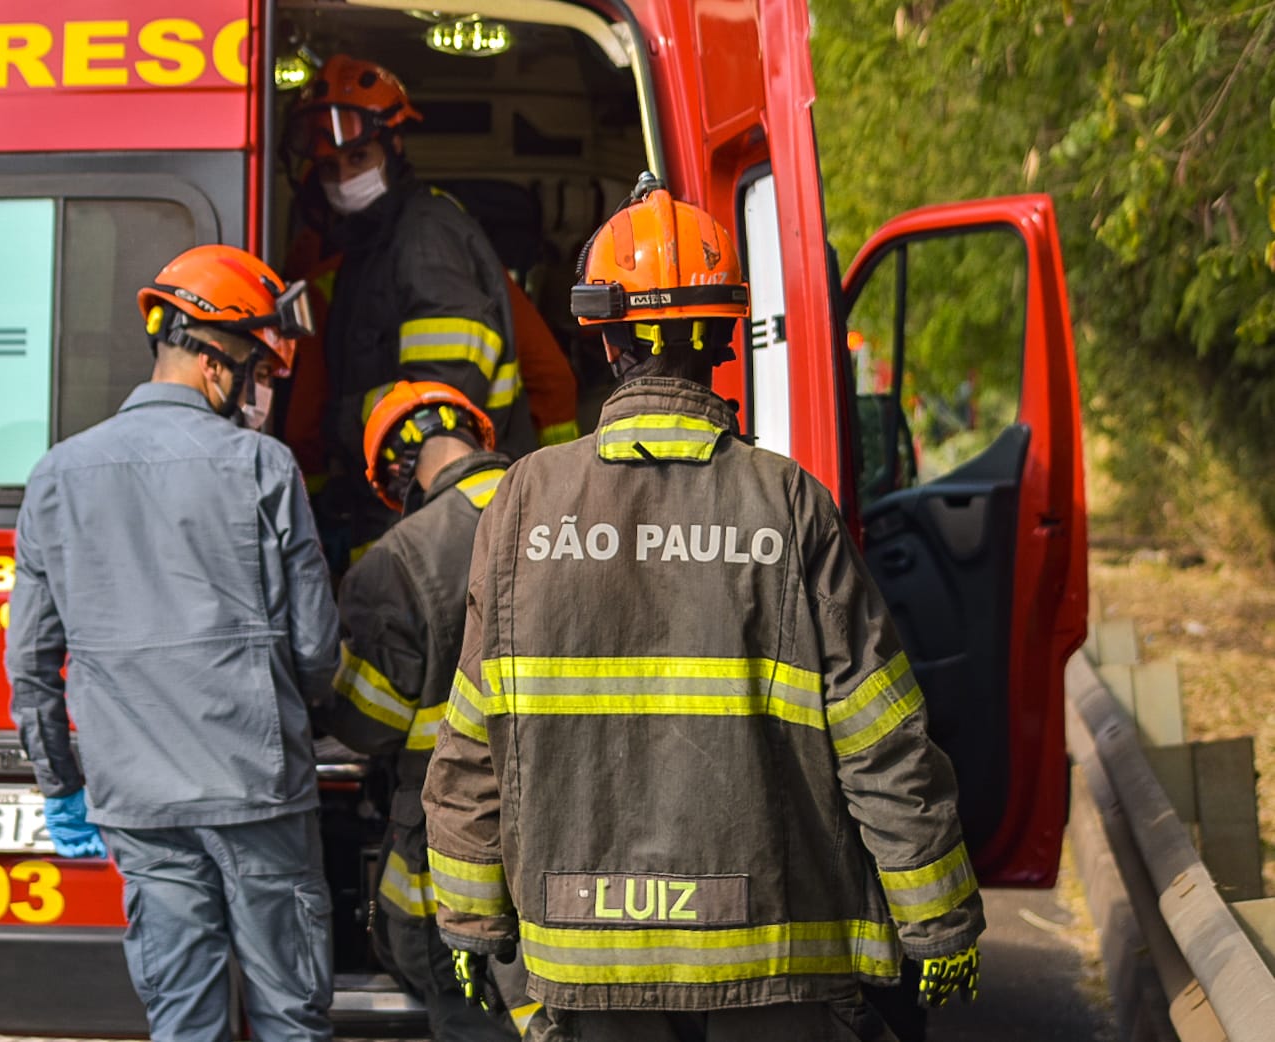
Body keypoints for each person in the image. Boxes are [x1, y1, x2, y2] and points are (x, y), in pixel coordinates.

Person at [421, 175, 985, 1042]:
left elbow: (473, 736)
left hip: (583, 957)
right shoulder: (787, 501)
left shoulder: (525, 501)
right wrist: (937, 918)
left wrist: (469, 917)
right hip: (771, 956)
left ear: (605, 343)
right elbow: (881, 734)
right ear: (725, 336)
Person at [5, 244, 340, 1042]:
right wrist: (289, 713)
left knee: (183, 1018)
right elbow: (317, 647)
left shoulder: (56, 475)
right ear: (218, 362)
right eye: (258, 368)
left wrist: (61, 783)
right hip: (256, 789)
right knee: (291, 1014)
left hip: (138, 803)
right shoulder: (264, 467)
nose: (261, 390)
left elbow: (29, 661)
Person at [320, 381, 537, 1039]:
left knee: (461, 998)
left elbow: (368, 723)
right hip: (578, 815)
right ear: (475, 434)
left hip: (447, 837)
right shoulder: (570, 510)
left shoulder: (397, 558)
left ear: (398, 469)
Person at [282, 54, 539, 560]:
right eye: (331, 167)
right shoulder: (370, 245)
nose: (343, 179)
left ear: (394, 146)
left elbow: (442, 396)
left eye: (358, 159)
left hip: (435, 521)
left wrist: (338, 422)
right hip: (403, 514)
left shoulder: (424, 237)